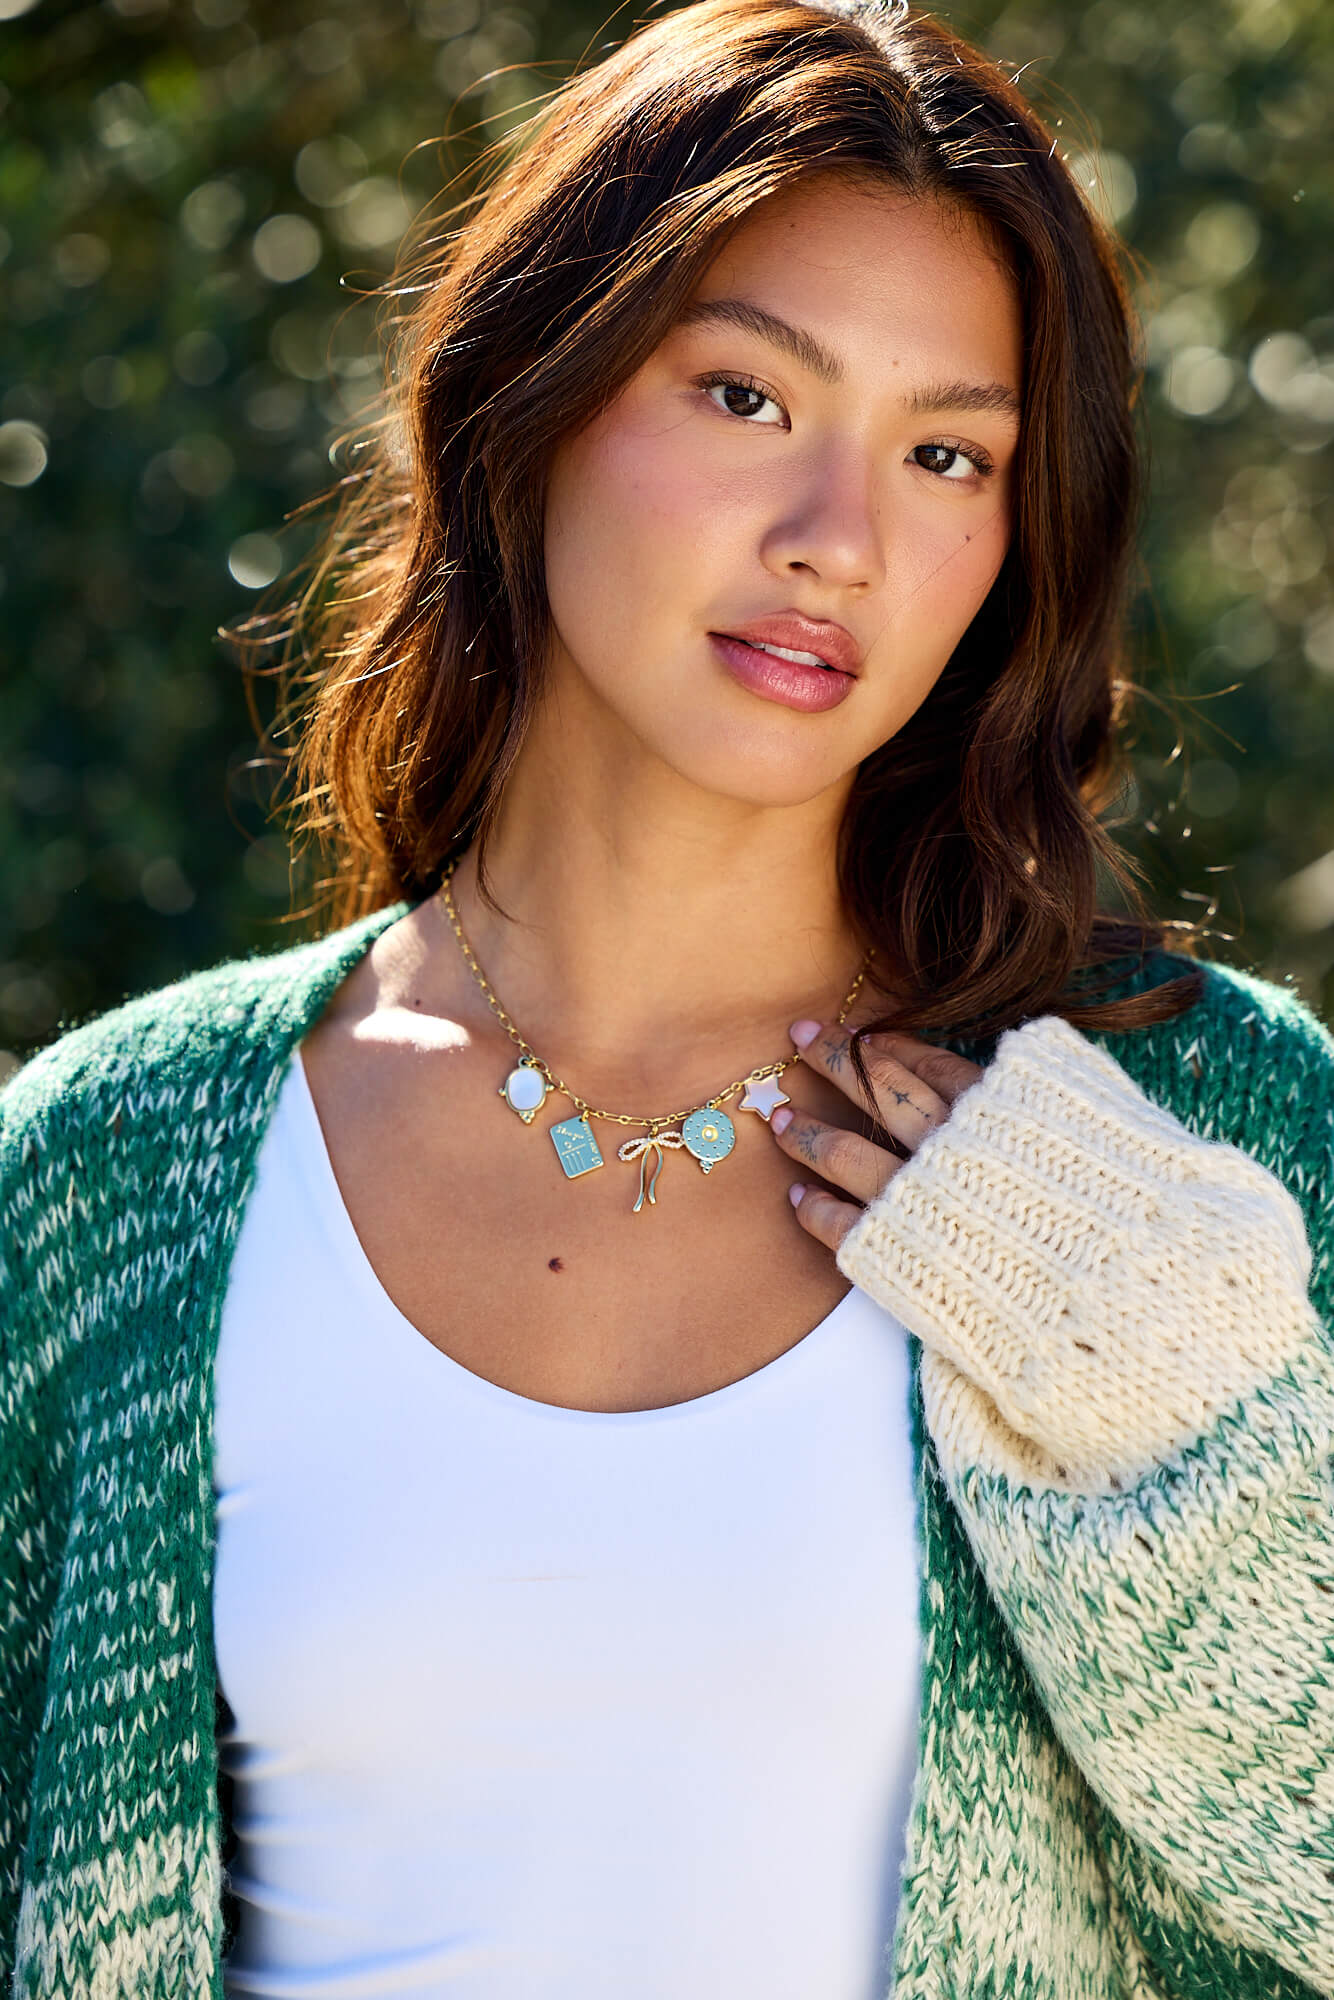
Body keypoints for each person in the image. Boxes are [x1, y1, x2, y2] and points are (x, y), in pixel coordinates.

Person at [3, 0, 1333, 1993]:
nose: (837, 543)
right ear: (532, 392)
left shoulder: (1191, 1133)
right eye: (744, 399)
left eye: (945, 450)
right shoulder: (107, 1174)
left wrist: (1196, 1445)